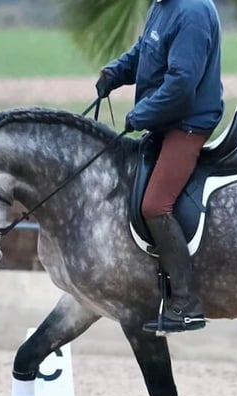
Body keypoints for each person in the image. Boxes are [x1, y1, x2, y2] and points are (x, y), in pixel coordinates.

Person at [95, 0, 224, 334]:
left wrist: (141, 115)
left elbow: (182, 85)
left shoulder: (192, 12)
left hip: (188, 123)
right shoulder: (163, 6)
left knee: (155, 205)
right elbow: (145, 51)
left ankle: (186, 303)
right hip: (166, 119)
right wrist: (115, 72)